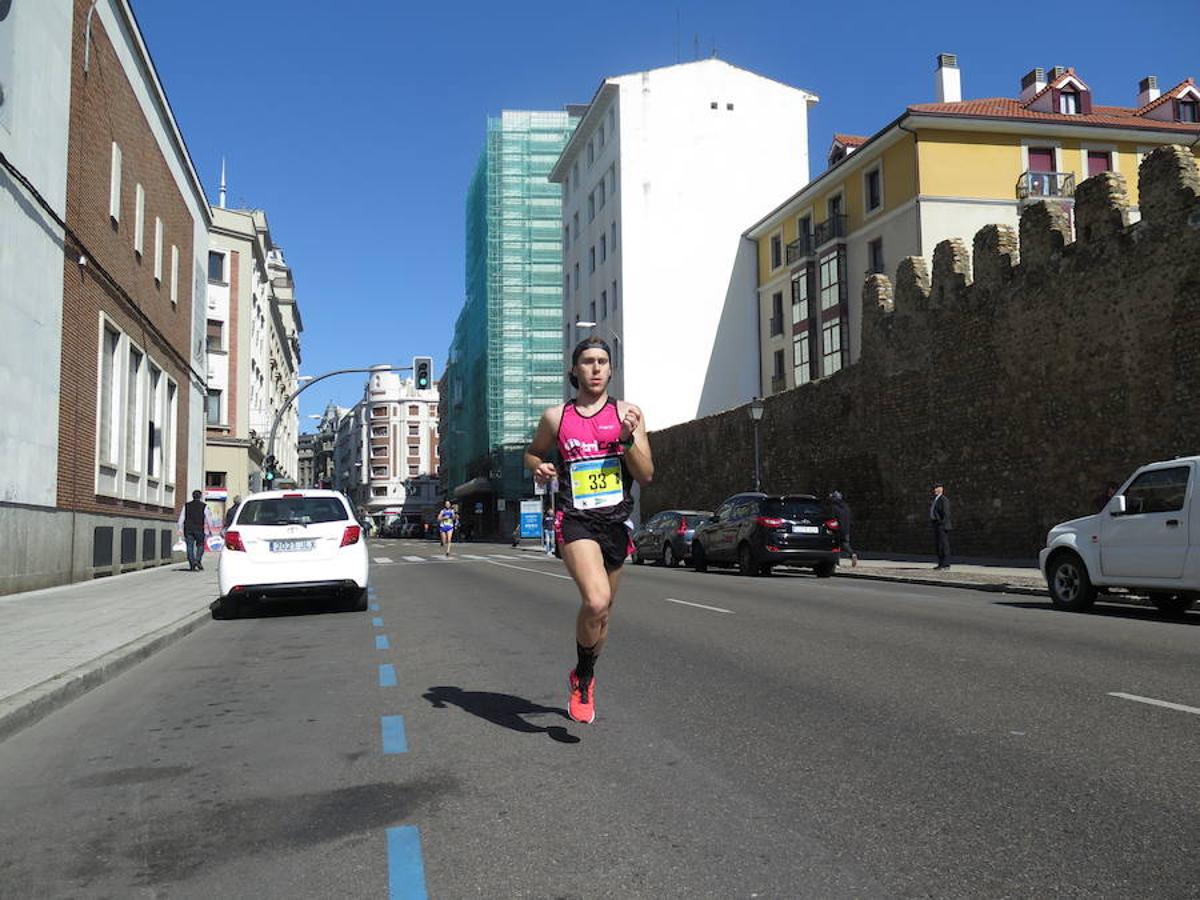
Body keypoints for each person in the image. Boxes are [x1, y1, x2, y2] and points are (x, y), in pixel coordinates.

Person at [524, 336, 654, 725]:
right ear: (574, 370)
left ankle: (585, 672)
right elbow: (532, 452)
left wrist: (627, 438)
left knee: (605, 614)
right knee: (595, 601)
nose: (596, 368)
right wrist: (537, 466)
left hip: (616, 521)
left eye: (602, 361)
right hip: (575, 518)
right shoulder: (556, 418)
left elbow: (646, 475)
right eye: (587, 361)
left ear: (611, 369)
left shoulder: (629, 414)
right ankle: (582, 678)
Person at [177, 489, 217, 572]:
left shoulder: (186, 505)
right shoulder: (204, 506)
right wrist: (211, 530)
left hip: (188, 529)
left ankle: (192, 563)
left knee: (189, 546)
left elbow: (181, 518)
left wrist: (180, 528)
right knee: (200, 545)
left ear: (192, 496)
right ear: (200, 497)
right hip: (199, 528)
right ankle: (197, 560)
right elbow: (209, 518)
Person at [828, 490, 858, 567]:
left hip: (838, 529)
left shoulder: (834, 508)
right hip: (846, 529)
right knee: (846, 545)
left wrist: (830, 529)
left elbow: (832, 519)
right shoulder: (846, 507)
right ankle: (852, 554)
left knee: (835, 546)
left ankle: (836, 563)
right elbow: (850, 518)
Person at [929, 483, 952, 570]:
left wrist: (942, 524)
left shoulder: (943, 499)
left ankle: (946, 564)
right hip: (936, 524)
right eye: (934, 488)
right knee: (938, 545)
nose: (934, 490)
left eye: (936, 488)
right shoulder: (936, 499)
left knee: (944, 545)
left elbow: (946, 513)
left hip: (942, 525)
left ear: (941, 489)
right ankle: (940, 563)